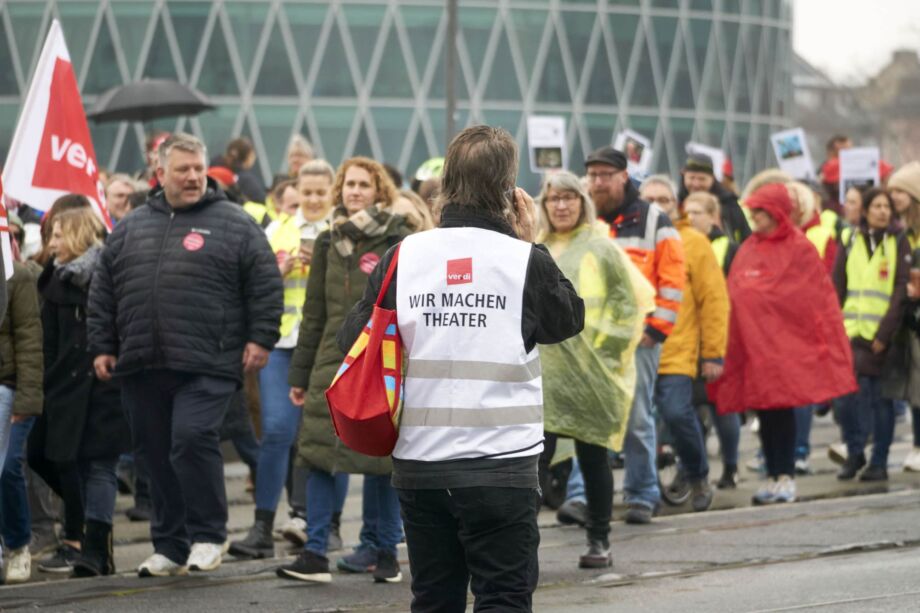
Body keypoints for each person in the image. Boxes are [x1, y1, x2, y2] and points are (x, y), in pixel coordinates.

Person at [338, 125, 583, 612]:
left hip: (421, 464)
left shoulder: (403, 257)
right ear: (509, 190)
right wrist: (531, 244)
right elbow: (566, 321)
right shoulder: (522, 260)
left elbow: (353, 340)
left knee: (434, 599)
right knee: (503, 598)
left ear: (445, 185)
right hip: (501, 465)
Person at [87, 132, 283, 577]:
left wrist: (260, 338)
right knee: (153, 454)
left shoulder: (235, 222)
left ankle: (209, 535)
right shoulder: (131, 226)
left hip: (209, 361)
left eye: (199, 168)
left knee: (191, 439)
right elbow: (103, 290)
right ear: (160, 173)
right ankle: (170, 545)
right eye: (183, 169)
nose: (194, 176)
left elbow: (265, 283)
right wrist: (102, 345)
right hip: (142, 362)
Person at [277, 157, 408, 585]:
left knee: (381, 459)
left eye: (363, 185)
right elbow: (314, 314)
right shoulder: (327, 242)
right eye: (348, 184)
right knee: (318, 455)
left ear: (379, 191)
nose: (354, 191)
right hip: (330, 363)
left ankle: (386, 553)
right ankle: (315, 553)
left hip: (380, 360)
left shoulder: (399, 238)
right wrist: (300, 376)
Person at [712, 184, 856, 505]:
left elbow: (808, 296)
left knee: (782, 408)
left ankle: (786, 476)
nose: (754, 218)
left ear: (776, 212)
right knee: (764, 411)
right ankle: (773, 476)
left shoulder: (799, 247)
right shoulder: (749, 247)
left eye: (760, 212)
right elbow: (736, 288)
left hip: (785, 345)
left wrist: (763, 300)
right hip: (754, 345)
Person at [535, 171, 651, 569]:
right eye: (554, 199)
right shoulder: (536, 247)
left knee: (593, 456)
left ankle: (599, 538)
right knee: (533, 460)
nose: (561, 205)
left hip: (591, 374)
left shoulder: (602, 248)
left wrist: (605, 352)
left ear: (581, 202)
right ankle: (522, 545)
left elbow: (627, 305)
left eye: (569, 197)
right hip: (545, 375)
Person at [229, 159, 337, 559]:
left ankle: (324, 525)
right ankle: (262, 527)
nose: (312, 200)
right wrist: (279, 268)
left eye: (320, 193)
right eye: (306, 193)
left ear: (332, 193)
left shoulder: (341, 230)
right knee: (276, 431)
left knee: (324, 436)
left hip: (325, 346)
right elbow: (253, 284)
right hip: (281, 341)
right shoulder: (277, 230)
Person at [584, 146, 685, 525]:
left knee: (637, 420)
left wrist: (657, 329)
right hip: (592, 339)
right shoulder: (586, 217)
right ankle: (584, 497)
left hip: (638, 340)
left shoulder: (654, 219)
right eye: (593, 175)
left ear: (623, 176)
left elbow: (672, 279)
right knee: (589, 419)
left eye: (605, 175)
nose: (597, 182)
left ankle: (642, 494)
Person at [28, 208, 129, 577]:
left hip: (102, 382)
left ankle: (92, 547)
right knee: (43, 455)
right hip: (62, 385)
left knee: (97, 464)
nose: (52, 243)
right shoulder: (55, 277)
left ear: (77, 235)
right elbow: (49, 339)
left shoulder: (106, 273)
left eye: (58, 235)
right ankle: (85, 528)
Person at [641, 176, 729, 510]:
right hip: (635, 349)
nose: (656, 206)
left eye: (663, 200)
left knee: (677, 413)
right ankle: (643, 491)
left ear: (676, 205)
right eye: (649, 199)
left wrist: (713, 354)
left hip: (676, 350)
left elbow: (714, 301)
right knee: (637, 425)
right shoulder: (630, 237)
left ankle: (697, 475)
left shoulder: (694, 242)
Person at [833, 188, 909, 482]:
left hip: (882, 337)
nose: (882, 211)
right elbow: (838, 285)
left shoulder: (898, 241)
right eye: (876, 206)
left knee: (880, 400)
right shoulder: (850, 239)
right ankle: (855, 452)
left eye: (886, 207)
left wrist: (885, 333)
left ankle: (879, 460)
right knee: (845, 400)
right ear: (865, 211)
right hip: (851, 333)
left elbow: (900, 289)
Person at [682, 191, 742, 488]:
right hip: (687, 339)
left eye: (698, 212)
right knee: (690, 407)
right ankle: (695, 467)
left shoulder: (728, 248)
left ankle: (730, 466)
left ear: (713, 217)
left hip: (721, 336)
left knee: (722, 406)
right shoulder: (678, 243)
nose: (691, 217)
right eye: (687, 211)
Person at [0, 245, 43, 584]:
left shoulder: (18, 276)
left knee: (8, 468)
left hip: (8, 386)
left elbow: (29, 340)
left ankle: (17, 545)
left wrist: (26, 401)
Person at [886, 161, 920, 472]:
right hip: (908, 319)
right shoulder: (900, 234)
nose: (894, 197)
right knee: (912, 384)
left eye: (900, 191)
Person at [679, 153, 751, 244]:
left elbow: (746, 237)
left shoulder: (729, 204)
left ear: (712, 179)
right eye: (691, 178)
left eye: (702, 179)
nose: (696, 184)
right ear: (684, 177)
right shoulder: (676, 203)